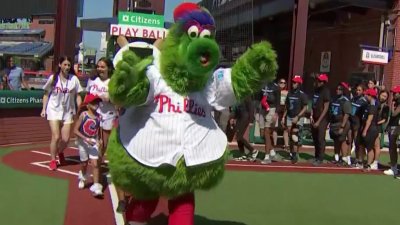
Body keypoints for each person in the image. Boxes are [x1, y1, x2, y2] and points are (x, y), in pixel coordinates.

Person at [41, 56, 83, 170]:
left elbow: (78, 95)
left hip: (68, 111)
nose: (67, 67)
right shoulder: (53, 78)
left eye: (69, 65)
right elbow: (46, 94)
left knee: (66, 139)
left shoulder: (74, 79)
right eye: (65, 64)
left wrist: (80, 109)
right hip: (54, 110)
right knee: (56, 136)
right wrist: (44, 109)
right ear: (60, 65)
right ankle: (53, 160)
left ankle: (59, 152)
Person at [73, 93, 103, 197]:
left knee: (95, 164)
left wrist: (99, 140)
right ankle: (82, 177)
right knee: (84, 163)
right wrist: (85, 139)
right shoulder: (84, 115)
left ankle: (96, 186)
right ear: (88, 105)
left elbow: (98, 131)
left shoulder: (99, 117)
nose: (96, 104)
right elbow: (75, 130)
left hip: (93, 142)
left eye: (97, 103)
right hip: (83, 142)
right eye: (94, 102)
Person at [86, 57, 116, 159]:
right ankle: (95, 164)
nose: (100, 69)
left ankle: (98, 162)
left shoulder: (112, 82)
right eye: (98, 66)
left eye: (103, 67)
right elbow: (88, 95)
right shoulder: (93, 80)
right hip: (94, 115)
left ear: (109, 68)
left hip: (108, 115)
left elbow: (118, 101)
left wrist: (109, 98)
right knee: (94, 141)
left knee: (103, 143)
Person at [282, 75, 308, 163]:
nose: (293, 84)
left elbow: (305, 107)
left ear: (299, 84)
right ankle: (292, 154)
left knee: (296, 136)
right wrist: (283, 117)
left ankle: (296, 154)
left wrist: (298, 116)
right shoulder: (289, 93)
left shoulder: (302, 94)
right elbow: (287, 106)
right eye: (293, 82)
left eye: (295, 82)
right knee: (290, 136)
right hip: (289, 116)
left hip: (298, 117)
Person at [257, 80, 281, 164]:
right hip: (262, 110)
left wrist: (276, 114)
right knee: (262, 134)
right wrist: (257, 112)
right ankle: (272, 152)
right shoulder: (262, 84)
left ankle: (267, 157)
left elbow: (278, 102)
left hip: (271, 109)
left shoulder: (276, 87)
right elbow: (259, 98)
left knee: (267, 132)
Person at [329, 82, 352, 166]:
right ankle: (336, 157)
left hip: (342, 123)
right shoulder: (334, 99)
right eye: (337, 89)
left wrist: (342, 126)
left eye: (340, 89)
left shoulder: (345, 101)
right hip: (334, 123)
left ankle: (344, 158)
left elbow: (346, 114)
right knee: (336, 140)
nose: (337, 91)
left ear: (343, 91)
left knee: (342, 140)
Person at [311, 73, 331, 166]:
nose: (317, 82)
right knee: (315, 138)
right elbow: (313, 104)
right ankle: (316, 156)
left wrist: (318, 121)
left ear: (323, 82)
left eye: (319, 81)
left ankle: (320, 158)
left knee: (320, 138)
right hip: (314, 117)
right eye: (317, 80)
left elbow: (326, 107)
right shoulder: (316, 90)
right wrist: (311, 116)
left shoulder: (325, 91)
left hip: (322, 119)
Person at [233, 96, 258, 161]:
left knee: (239, 136)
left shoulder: (247, 96)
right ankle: (242, 154)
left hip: (245, 117)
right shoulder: (237, 96)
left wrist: (251, 120)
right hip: (239, 117)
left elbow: (251, 108)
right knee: (238, 136)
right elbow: (237, 109)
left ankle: (253, 150)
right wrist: (233, 117)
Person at [349, 84, 368, 168]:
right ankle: (355, 158)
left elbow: (364, 115)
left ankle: (360, 160)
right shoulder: (354, 99)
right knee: (351, 141)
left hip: (358, 124)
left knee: (358, 143)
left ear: (363, 91)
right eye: (357, 90)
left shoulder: (364, 102)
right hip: (352, 123)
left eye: (359, 90)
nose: (357, 91)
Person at [360, 88, 379, 171]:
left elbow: (369, 120)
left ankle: (368, 166)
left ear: (371, 96)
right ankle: (364, 163)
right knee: (364, 146)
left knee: (369, 148)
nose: (365, 96)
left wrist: (365, 130)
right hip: (369, 128)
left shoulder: (372, 107)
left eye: (367, 95)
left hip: (371, 129)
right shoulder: (369, 105)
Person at [384, 85, 400, 176]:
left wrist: (392, 107)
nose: (393, 94)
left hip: (397, 126)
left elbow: (394, 114)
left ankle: (394, 168)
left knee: (393, 146)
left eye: (395, 93)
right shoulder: (395, 102)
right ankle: (394, 168)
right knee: (392, 146)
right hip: (393, 125)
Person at [372, 90, 390, 170]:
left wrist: (376, 122)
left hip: (378, 128)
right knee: (371, 145)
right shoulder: (375, 103)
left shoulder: (386, 107)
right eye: (382, 95)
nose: (383, 97)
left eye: (385, 96)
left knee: (377, 146)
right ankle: (372, 161)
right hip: (372, 127)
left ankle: (375, 162)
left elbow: (384, 119)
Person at [274, 78, 289, 150]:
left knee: (285, 128)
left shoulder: (287, 92)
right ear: (278, 83)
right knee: (275, 128)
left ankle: (286, 145)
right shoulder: (275, 91)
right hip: (276, 110)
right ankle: (274, 145)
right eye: (281, 82)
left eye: (284, 83)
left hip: (284, 111)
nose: (282, 84)